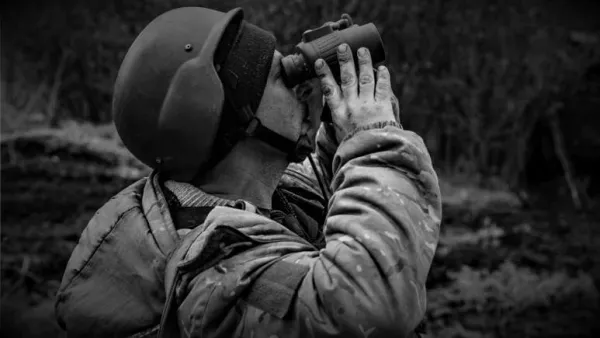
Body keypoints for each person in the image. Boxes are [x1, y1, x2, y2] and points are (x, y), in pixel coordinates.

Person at [54, 6, 441, 338]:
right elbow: (365, 308)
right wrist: (374, 138)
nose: (301, 86)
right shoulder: (213, 273)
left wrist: (346, 122)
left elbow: (330, 184)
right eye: (281, 78)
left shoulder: (261, 192)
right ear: (229, 123)